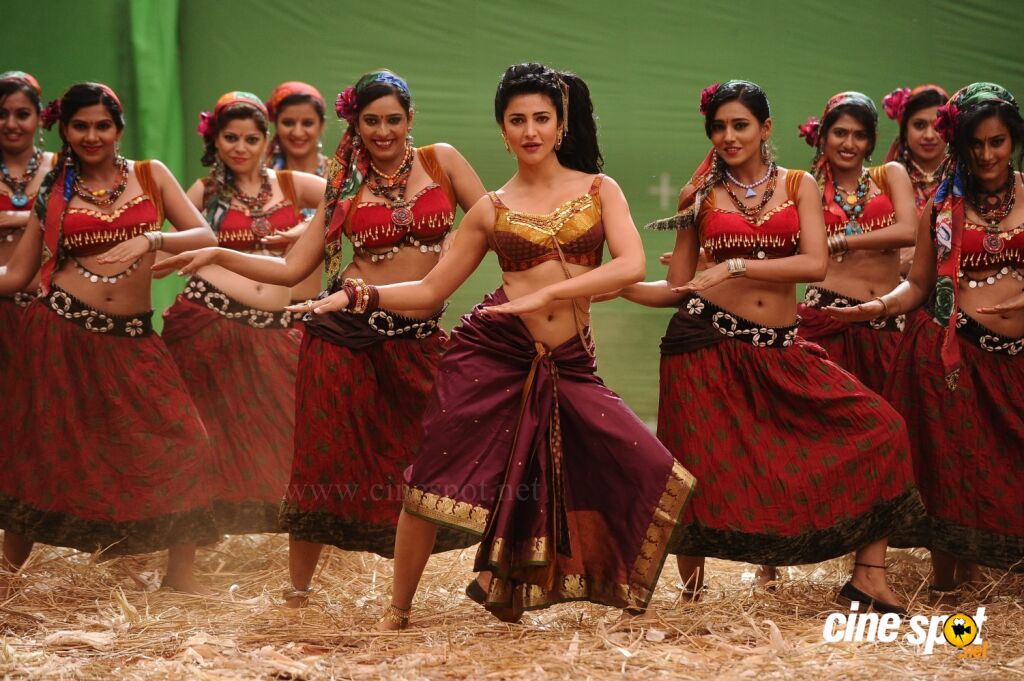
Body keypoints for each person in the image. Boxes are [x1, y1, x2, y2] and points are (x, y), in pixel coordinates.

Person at [285, 62, 695, 629]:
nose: (530, 131)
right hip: (492, 351)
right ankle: (397, 612)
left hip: (567, 358)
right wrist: (358, 295)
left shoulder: (600, 190)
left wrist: (548, 293)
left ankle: (519, 580)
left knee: (644, 465)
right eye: (517, 120)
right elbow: (431, 288)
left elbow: (630, 265)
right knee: (428, 480)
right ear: (502, 130)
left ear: (561, 124)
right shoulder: (491, 208)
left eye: (542, 118)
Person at [154, 70, 487, 607]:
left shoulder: (441, 161)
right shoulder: (344, 183)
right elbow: (291, 270)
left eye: (393, 120)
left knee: (442, 450)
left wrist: (464, 247)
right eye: (371, 121)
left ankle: (481, 574)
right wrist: (216, 252)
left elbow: (493, 220)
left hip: (418, 338)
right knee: (321, 460)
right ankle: (298, 594)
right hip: (342, 336)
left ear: (411, 118)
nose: (383, 131)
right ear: (356, 124)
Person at [618, 80, 921, 612]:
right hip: (704, 346)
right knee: (698, 470)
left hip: (779, 349)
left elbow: (814, 264)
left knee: (884, 428)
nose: (729, 136)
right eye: (718, 127)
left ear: (765, 128)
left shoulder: (799, 185)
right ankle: (692, 599)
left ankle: (868, 578)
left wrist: (734, 266)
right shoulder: (698, 195)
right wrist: (613, 285)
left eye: (740, 125)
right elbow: (679, 287)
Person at [0, 82, 219, 596]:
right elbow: (18, 275)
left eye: (102, 125)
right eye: (80, 126)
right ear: (65, 130)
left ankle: (180, 580)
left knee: (186, 441)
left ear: (119, 129)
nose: (92, 135)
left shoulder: (150, 175)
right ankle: (8, 582)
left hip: (134, 339)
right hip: (61, 336)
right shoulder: (54, 189)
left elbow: (205, 236)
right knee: (41, 454)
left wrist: (151, 238)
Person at [825, 83, 1024, 595]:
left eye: (997, 142)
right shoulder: (942, 205)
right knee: (951, 469)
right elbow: (918, 284)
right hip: (949, 355)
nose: (986, 155)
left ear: (1013, 141)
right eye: (975, 144)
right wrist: (877, 307)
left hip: (1015, 364)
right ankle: (946, 585)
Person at [161, 91, 325, 535]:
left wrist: (302, 227)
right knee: (210, 431)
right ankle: (202, 533)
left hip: (275, 328)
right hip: (211, 322)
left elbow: (347, 197)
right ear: (214, 141)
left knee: (287, 431)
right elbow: (172, 243)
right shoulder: (205, 191)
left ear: (265, 140)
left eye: (251, 138)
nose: (240, 147)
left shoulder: (289, 183)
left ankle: (293, 527)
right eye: (230, 137)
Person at [795, 92, 917, 392]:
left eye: (859, 135)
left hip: (885, 320)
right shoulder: (807, 188)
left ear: (871, 141)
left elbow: (908, 231)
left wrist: (842, 242)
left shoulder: (889, 175)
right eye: (840, 133)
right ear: (823, 136)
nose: (849, 144)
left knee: (892, 410)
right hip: (826, 319)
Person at [0, 71, 55, 371]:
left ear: (39, 117)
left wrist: (16, 217)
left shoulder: (62, 168)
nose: (11, 124)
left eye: (22, 114)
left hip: (50, 312)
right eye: (2, 114)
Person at [264, 80, 328, 305]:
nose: (298, 132)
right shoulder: (262, 178)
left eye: (307, 123)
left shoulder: (338, 178)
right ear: (275, 124)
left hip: (309, 308)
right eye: (288, 122)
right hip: (255, 309)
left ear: (321, 125)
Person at [882, 84, 950, 273]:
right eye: (919, 125)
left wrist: (918, 254)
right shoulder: (885, 182)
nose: (929, 135)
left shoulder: (965, 180)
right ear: (905, 129)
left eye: (938, 126)